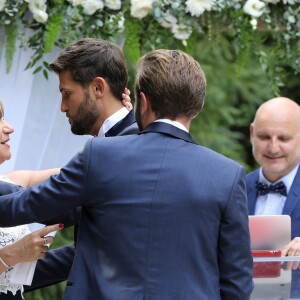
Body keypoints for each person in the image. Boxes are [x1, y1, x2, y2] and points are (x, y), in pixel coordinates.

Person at [0, 49, 253, 299]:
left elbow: (27, 205)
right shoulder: (227, 175)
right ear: (196, 107)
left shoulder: (101, 155)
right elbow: (237, 282)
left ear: (142, 101)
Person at [22, 38, 138, 293]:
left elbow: (58, 206)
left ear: (98, 87)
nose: (63, 107)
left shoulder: (129, 144)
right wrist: (11, 272)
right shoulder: (122, 138)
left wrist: (7, 185)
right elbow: (88, 250)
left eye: (67, 94)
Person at [0, 101, 63, 299]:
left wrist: (122, 124)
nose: (9, 127)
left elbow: (79, 172)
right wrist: (10, 255)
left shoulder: (13, 181)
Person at [247, 97, 300, 255]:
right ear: (252, 133)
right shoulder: (234, 188)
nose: (273, 148)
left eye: (283, 138)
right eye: (264, 137)